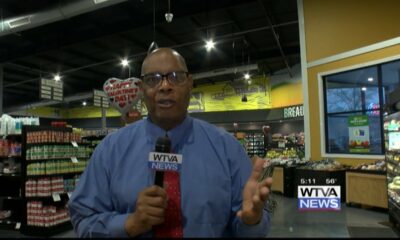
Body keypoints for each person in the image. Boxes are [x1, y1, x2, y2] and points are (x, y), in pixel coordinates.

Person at [68, 48, 273, 238]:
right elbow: (83, 218)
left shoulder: (227, 149)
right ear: (141, 88)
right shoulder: (111, 150)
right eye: (153, 79)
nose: (165, 86)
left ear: (190, 83)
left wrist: (251, 222)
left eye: (176, 77)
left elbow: (250, 225)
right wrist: (130, 223)